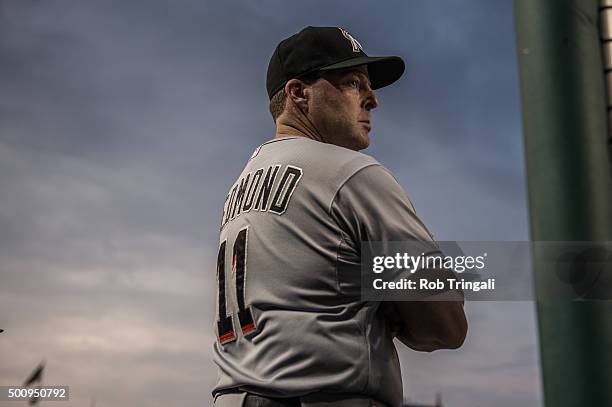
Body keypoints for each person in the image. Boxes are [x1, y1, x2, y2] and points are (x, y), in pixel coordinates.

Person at [212, 26, 467, 407]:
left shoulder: (240, 188)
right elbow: (444, 324)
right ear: (299, 93)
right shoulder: (351, 174)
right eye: (352, 82)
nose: (372, 100)